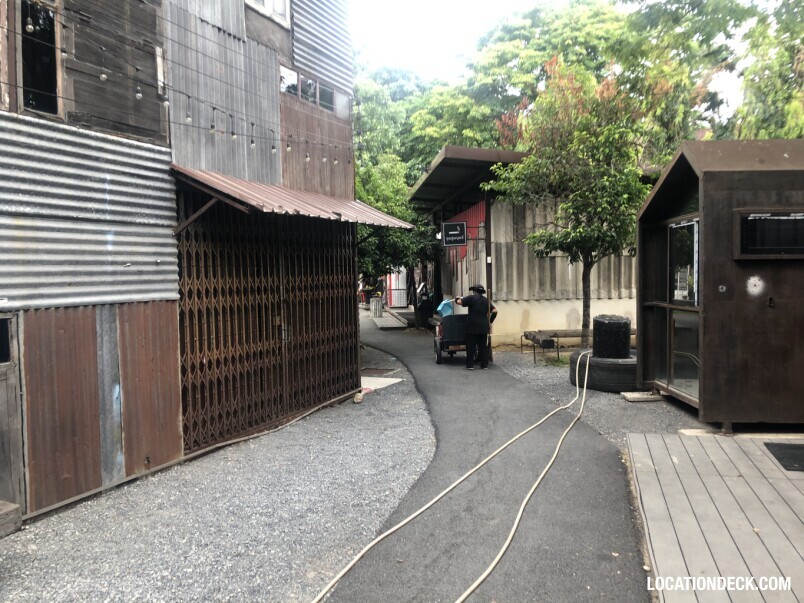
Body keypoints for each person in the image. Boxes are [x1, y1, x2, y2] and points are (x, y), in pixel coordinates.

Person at [454, 284, 497, 370]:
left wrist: (457, 299)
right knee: (483, 347)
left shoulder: (471, 298)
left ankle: (470, 365)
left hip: (472, 327)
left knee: (471, 347)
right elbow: (495, 311)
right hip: (484, 327)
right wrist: (490, 321)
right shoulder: (486, 300)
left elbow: (459, 302)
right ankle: (484, 365)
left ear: (475, 291)